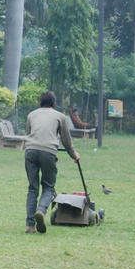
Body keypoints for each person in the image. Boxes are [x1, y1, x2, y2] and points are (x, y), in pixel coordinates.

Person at [24, 91, 80, 234]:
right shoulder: (60, 116)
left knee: (32, 188)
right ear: (54, 104)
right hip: (48, 152)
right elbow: (66, 140)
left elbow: (29, 133)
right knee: (48, 187)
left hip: (30, 151)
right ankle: (41, 211)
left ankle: (30, 226)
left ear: (39, 103)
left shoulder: (31, 114)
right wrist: (74, 155)